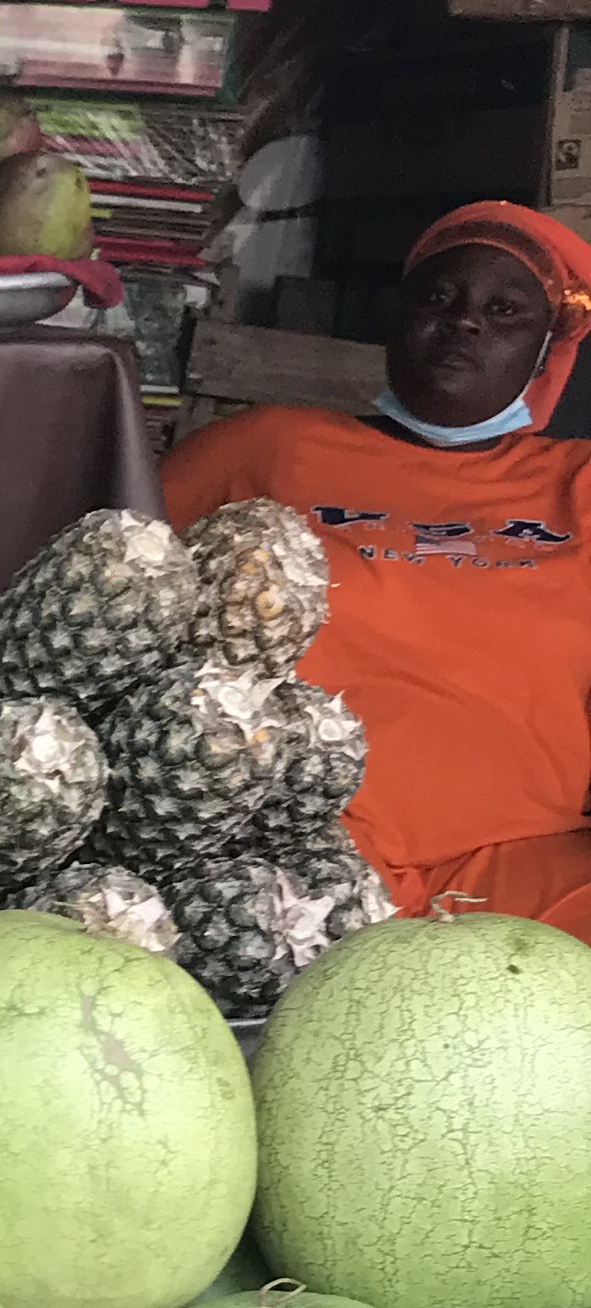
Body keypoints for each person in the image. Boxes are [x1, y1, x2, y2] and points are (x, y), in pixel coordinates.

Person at [158, 200, 591, 941]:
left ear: (547, 349)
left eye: (505, 310)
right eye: (439, 297)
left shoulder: (577, 483)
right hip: (280, 863)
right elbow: (103, 600)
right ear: (397, 316)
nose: (464, 321)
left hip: (530, 866)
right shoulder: (263, 449)